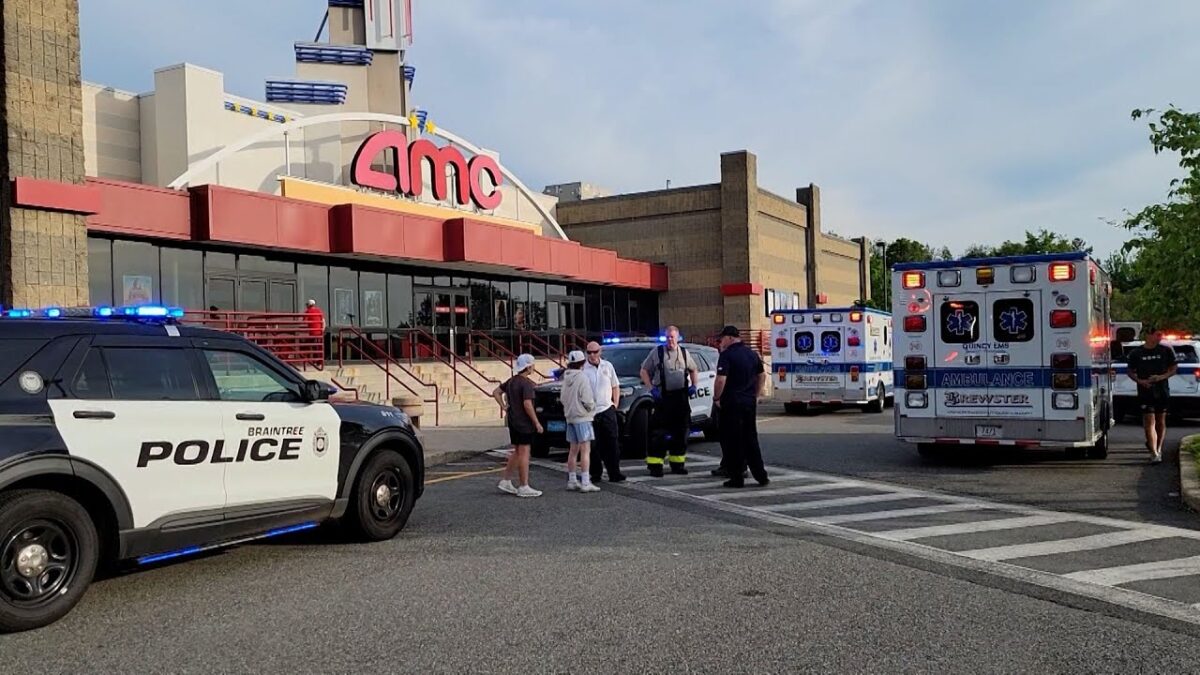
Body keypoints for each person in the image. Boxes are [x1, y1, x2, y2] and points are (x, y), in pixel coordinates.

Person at [713, 326, 769, 488]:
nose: (721, 342)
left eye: (722, 339)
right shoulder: (751, 354)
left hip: (732, 403)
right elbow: (762, 375)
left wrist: (717, 397)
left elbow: (721, 380)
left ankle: (736, 477)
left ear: (730, 338)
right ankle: (761, 475)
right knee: (751, 439)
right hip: (748, 402)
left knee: (733, 441)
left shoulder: (727, 355)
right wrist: (756, 395)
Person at [639, 326, 699, 477]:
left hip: (681, 399)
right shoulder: (657, 352)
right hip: (663, 400)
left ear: (678, 337)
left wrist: (694, 385)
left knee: (681, 434)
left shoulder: (684, 353)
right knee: (659, 434)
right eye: (667, 337)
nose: (670, 340)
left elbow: (694, 369)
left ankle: (678, 465)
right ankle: (655, 467)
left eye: (672, 337)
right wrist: (651, 388)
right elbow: (644, 371)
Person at [493, 354, 544, 497]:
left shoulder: (511, 381)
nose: (534, 367)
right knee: (524, 453)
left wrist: (504, 406)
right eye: (532, 365)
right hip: (524, 423)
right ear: (528, 367)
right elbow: (527, 404)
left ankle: (506, 480)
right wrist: (536, 422)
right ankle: (524, 485)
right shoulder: (526, 384)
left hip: (513, 421)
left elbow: (496, 392)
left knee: (516, 451)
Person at [1126, 329, 1177, 463]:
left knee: (1160, 421)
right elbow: (1130, 371)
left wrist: (1161, 377)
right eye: (1158, 335)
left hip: (1162, 390)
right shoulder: (1136, 353)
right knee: (1149, 422)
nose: (1160, 337)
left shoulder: (1166, 350)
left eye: (1161, 335)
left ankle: (1158, 448)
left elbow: (1173, 369)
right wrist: (1141, 381)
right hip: (1145, 391)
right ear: (1148, 335)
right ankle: (1153, 452)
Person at [584, 341, 626, 484]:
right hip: (590, 412)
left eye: (595, 352)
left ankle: (615, 473)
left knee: (612, 442)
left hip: (607, 409)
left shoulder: (607, 366)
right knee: (593, 445)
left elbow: (615, 385)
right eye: (589, 352)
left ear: (600, 352)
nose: (592, 355)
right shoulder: (583, 369)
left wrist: (615, 403)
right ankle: (595, 474)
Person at [562, 350, 600, 493]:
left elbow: (563, 398)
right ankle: (585, 481)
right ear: (582, 363)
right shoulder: (582, 378)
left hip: (570, 417)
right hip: (582, 417)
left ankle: (572, 480)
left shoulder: (566, 378)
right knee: (585, 450)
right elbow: (587, 399)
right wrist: (592, 408)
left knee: (573, 450)